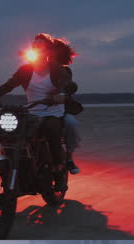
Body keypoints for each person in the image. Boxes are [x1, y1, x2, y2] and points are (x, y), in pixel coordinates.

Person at [0, 33, 73, 187]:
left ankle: (58, 170)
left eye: (40, 47)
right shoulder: (26, 70)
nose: (36, 48)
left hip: (52, 113)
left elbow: (66, 85)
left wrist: (61, 94)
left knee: (52, 129)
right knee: (10, 132)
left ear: (48, 51)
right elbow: (9, 85)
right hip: (33, 113)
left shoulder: (57, 70)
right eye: (34, 46)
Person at [51, 37, 83, 175]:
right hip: (36, 108)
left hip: (59, 110)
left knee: (71, 123)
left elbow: (66, 84)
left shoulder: (64, 71)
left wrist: (61, 92)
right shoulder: (34, 70)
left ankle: (69, 158)